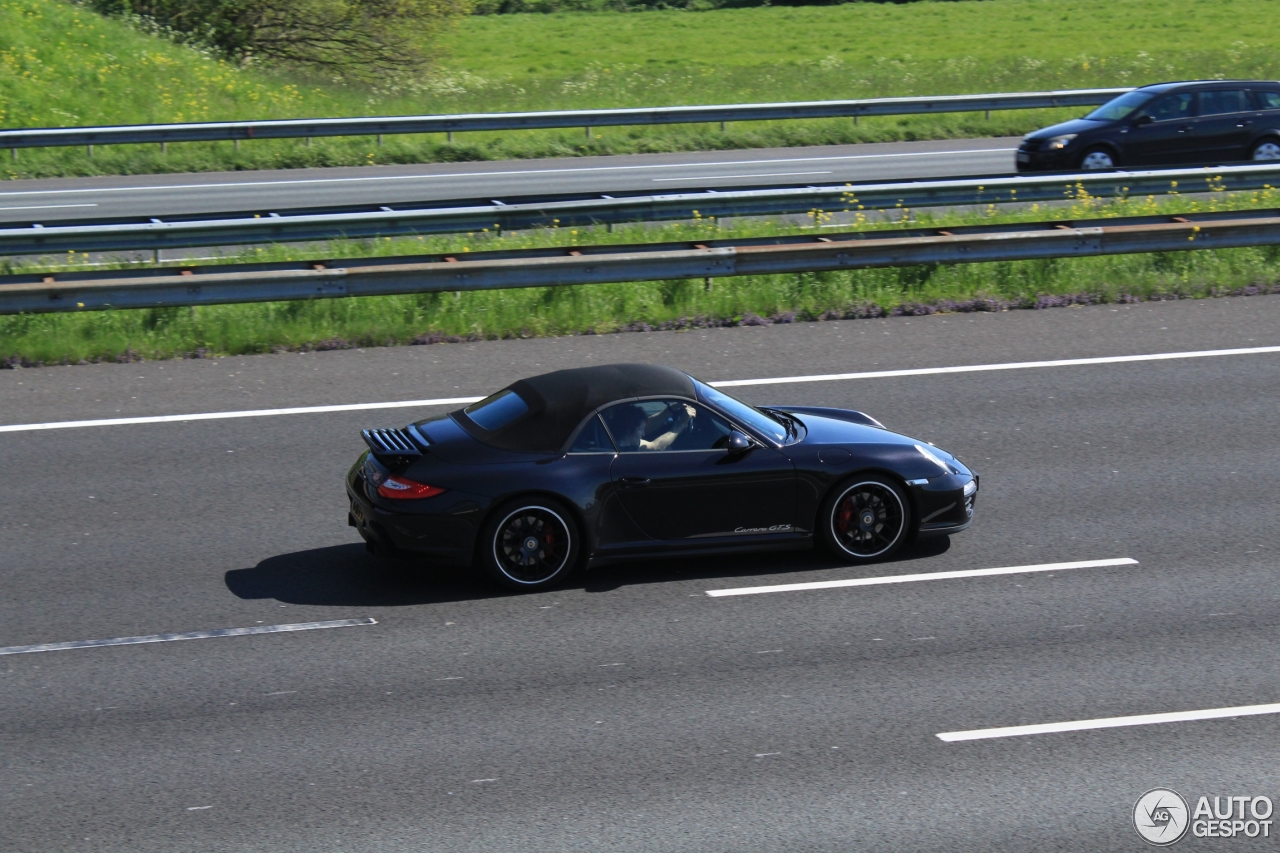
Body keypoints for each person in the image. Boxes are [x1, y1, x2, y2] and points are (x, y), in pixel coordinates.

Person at [611, 402, 696, 451]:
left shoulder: (620, 437)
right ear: (629, 431)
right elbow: (657, 447)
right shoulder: (625, 449)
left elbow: (648, 427)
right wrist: (682, 422)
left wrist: (671, 409)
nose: (643, 433)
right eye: (640, 429)